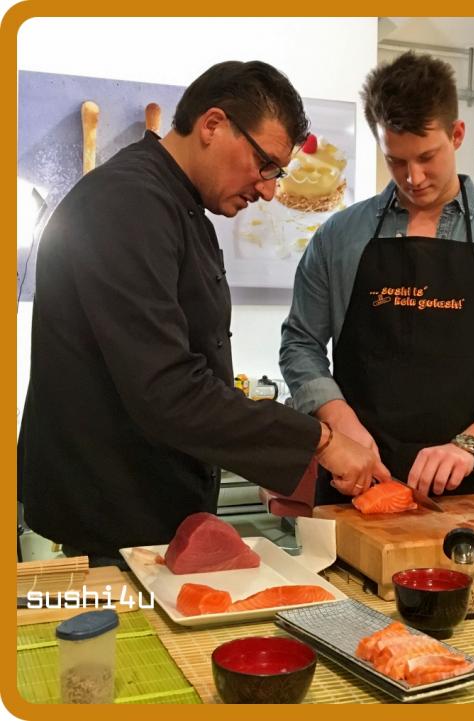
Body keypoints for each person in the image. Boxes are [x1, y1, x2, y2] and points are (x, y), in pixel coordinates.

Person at [17, 61, 390, 565]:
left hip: (156, 509)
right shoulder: (127, 202)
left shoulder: (177, 206)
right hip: (112, 516)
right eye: (265, 164)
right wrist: (319, 442)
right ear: (213, 125)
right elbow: (166, 388)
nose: (268, 190)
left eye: (277, 173)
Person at [280, 52, 474, 504]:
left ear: (457, 134)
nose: (413, 177)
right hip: (358, 481)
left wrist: (468, 445)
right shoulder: (338, 236)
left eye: (427, 157)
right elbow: (300, 343)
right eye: (396, 161)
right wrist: (340, 422)